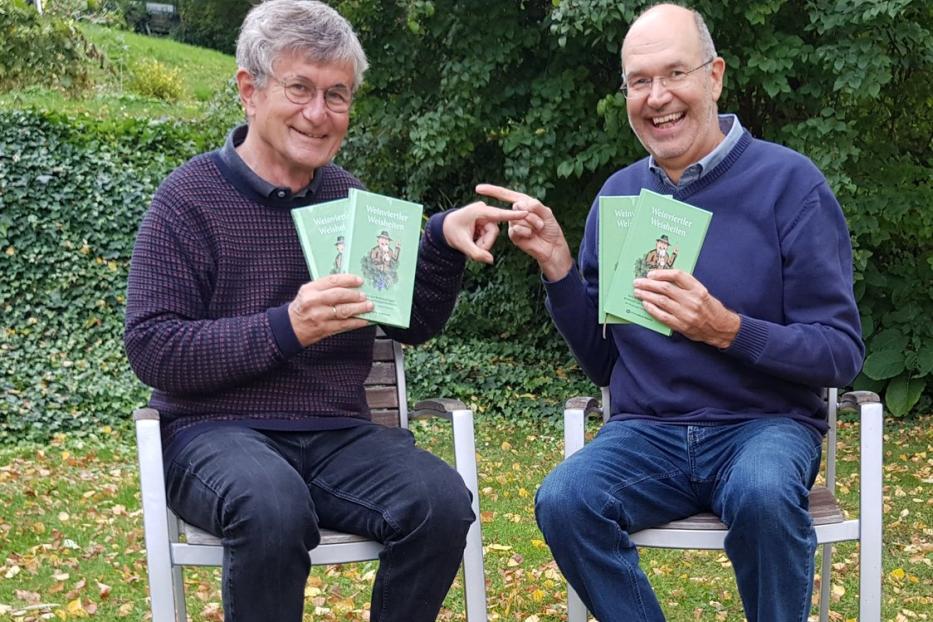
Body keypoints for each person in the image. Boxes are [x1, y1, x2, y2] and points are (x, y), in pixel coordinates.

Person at [123, 2, 521, 621]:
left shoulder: (346, 195)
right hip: (213, 434)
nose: (318, 113)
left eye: (336, 95)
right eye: (300, 88)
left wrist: (440, 240)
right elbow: (153, 347)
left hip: (337, 435)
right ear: (249, 91)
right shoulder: (188, 199)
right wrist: (289, 327)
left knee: (440, 503)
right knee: (272, 504)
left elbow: (408, 321)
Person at [479, 4, 864, 621]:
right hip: (646, 433)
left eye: (674, 74)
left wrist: (729, 330)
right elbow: (604, 362)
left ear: (714, 77)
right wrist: (556, 267)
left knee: (765, 496)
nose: (657, 97)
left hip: (762, 426)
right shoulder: (618, 196)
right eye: (639, 82)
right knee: (565, 499)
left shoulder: (791, 185)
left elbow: (840, 353)